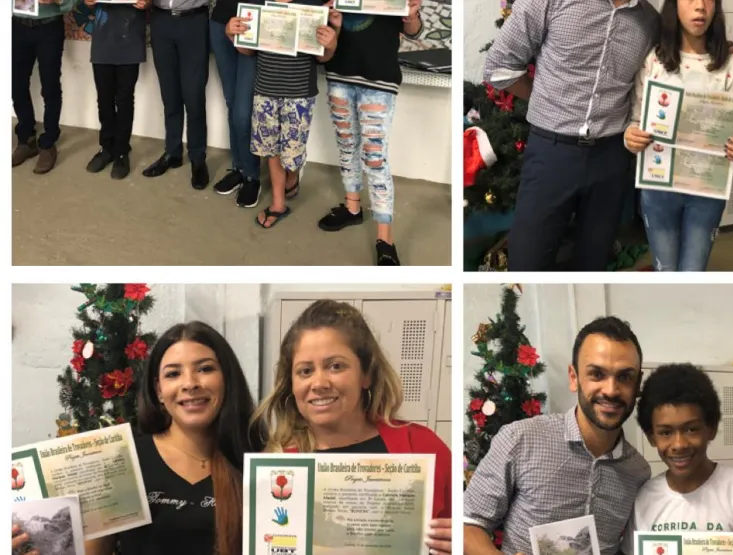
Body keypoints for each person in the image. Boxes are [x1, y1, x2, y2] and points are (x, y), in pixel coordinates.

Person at [10, 322, 266, 555]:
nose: (190, 383)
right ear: (158, 390)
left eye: (205, 369)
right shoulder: (122, 462)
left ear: (226, 379)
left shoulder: (257, 462)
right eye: (173, 374)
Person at [251, 300, 452, 553]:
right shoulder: (278, 466)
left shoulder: (422, 447)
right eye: (305, 371)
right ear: (291, 383)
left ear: (366, 374)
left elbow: (466, 531)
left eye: (336, 366)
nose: (319, 383)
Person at [482, 0, 659, 271]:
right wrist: (547, 97)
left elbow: (666, 72)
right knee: (528, 261)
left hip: (611, 158)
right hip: (551, 153)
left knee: (594, 261)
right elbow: (499, 67)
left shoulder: (649, 21)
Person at [464, 316, 650, 555]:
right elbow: (468, 525)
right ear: (574, 378)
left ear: (638, 384)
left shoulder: (638, 472)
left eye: (624, 377)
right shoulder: (521, 439)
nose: (611, 390)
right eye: (597, 374)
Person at [625, 0, 733, 272]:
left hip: (706, 192)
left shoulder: (731, 68)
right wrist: (631, 136)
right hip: (658, 188)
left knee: (694, 270)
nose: (700, 6)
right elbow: (636, 120)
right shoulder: (654, 61)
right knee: (665, 269)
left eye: (708, 0)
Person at [315, 0, 424, 266]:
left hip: (380, 78)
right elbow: (322, 24)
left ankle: (385, 239)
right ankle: (352, 207)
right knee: (346, 144)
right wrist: (326, 16)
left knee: (375, 158)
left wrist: (411, 16)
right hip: (339, 72)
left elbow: (413, 31)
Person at [621, 363, 733, 554]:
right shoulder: (643, 497)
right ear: (651, 437)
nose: (679, 444)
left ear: (711, 429)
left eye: (691, 429)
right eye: (665, 432)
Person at [225, 3, 339, 224]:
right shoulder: (260, 6)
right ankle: (278, 203)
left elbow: (322, 57)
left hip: (300, 94)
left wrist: (332, 46)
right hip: (265, 90)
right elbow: (249, 50)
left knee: (293, 153)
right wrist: (232, 35)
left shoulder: (313, 6)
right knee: (271, 148)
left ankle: (293, 176)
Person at [142, 0, 211, 190]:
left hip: (193, 21)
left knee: (194, 96)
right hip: (161, 20)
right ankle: (172, 152)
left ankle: (197, 158)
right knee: (169, 94)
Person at [83, 0, 149, 180]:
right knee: (104, 99)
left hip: (130, 38)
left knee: (124, 100)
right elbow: (88, 4)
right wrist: (89, 3)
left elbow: (151, 3)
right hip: (102, 41)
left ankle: (121, 151)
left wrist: (148, 3)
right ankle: (106, 148)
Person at [12, 0, 78, 174]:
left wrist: (58, 1)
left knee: (50, 86)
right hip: (17, 25)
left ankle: (48, 143)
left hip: (49, 27)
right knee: (16, 84)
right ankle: (26, 139)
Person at [210, 0, 262, 201]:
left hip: (254, 21)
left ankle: (251, 175)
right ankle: (239, 168)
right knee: (232, 103)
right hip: (221, 23)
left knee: (243, 112)